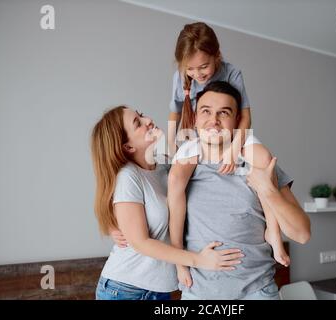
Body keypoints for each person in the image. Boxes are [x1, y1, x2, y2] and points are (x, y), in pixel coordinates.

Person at [169, 81, 311, 299]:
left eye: (223, 113)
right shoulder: (182, 166)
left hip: (258, 290)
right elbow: (145, 201)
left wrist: (267, 190)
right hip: (200, 293)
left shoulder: (259, 163)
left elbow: (301, 234)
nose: (213, 121)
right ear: (196, 118)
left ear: (236, 121)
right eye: (206, 111)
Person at [168, 22, 291, 270]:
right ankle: (178, 254)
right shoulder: (181, 77)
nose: (198, 74)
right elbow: (174, 113)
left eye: (204, 66)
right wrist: (171, 147)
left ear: (218, 56)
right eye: (191, 69)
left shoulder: (232, 72)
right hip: (199, 138)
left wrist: (235, 148)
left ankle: (273, 232)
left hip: (234, 134)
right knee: (174, 179)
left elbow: (245, 117)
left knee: (263, 158)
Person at [90, 106, 243, 300]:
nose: (148, 120)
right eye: (138, 123)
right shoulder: (128, 177)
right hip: (125, 291)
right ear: (128, 147)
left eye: (142, 114)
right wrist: (199, 260)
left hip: (159, 291)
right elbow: (141, 243)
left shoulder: (164, 167)